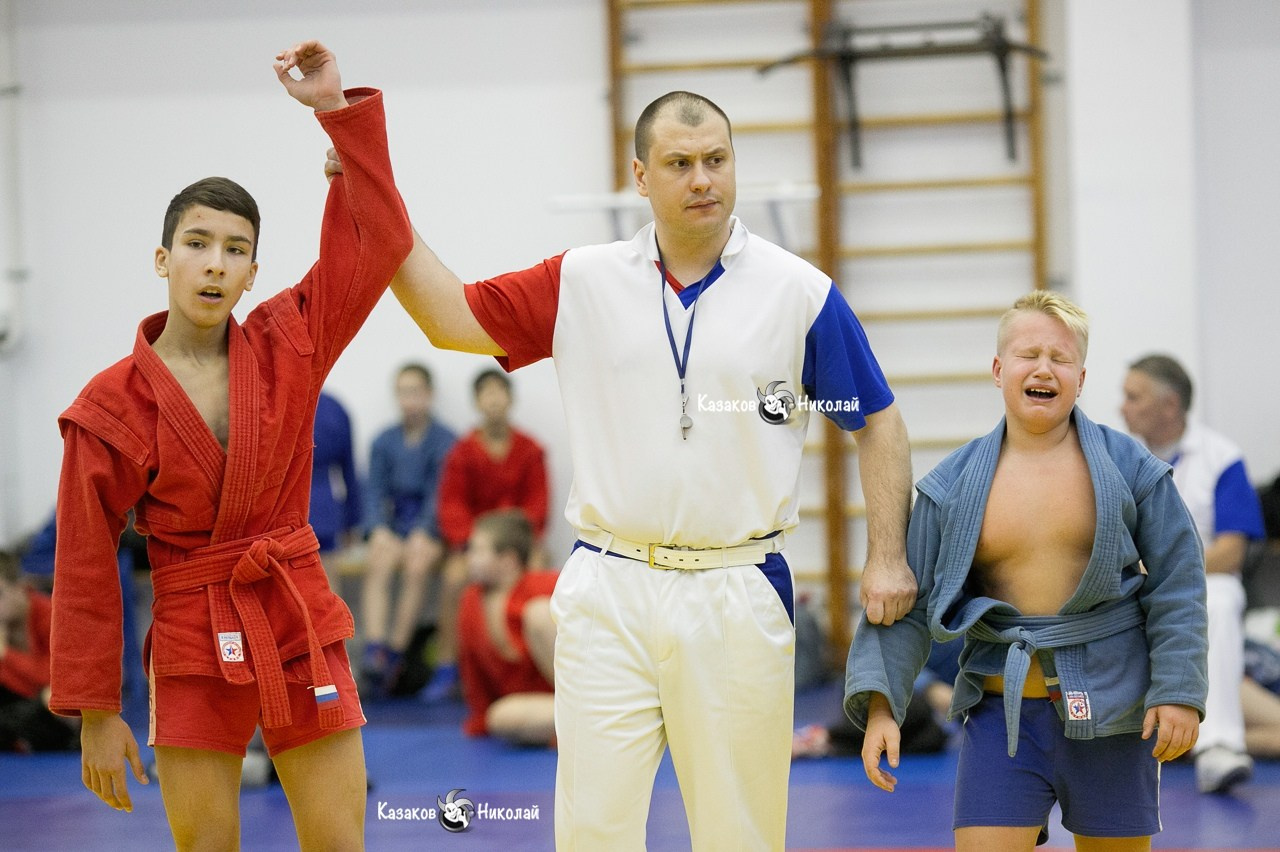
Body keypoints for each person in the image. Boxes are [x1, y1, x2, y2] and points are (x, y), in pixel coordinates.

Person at [337, 89, 917, 850]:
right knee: (592, 833)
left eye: (716, 160)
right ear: (641, 176)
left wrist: (886, 555)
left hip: (737, 591)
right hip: (608, 586)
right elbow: (448, 317)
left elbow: (876, 422)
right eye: (680, 164)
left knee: (740, 835)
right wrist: (367, 182)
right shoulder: (581, 280)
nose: (703, 178)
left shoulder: (798, 293)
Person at [48, 41, 412, 850]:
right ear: (162, 258)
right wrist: (95, 713)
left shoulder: (290, 343)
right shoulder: (110, 406)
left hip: (294, 609)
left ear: (253, 272)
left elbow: (378, 244)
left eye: (235, 249)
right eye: (198, 243)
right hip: (189, 624)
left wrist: (336, 115)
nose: (215, 265)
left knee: (339, 843)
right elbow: (82, 561)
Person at [846, 291, 1208, 851]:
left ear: (1081, 379)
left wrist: (1178, 690)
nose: (1043, 367)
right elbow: (905, 598)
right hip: (1003, 718)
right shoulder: (953, 485)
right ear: (997, 370)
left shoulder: (1130, 467)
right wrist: (881, 706)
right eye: (1027, 354)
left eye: (1060, 359)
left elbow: (1178, 581)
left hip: (1114, 710)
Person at [1121, 353, 1268, 793]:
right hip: (1131, 582)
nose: (1122, 406)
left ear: (1169, 406)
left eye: (1133, 397)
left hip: (1197, 580)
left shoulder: (1222, 458)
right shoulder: (1114, 457)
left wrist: (1170, 572)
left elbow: (1232, 551)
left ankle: (1219, 748)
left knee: (1221, 595)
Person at [430, 368, 550, 702]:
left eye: (500, 392)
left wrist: (514, 542)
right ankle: (447, 665)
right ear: (477, 401)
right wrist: (476, 545)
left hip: (518, 545)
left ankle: (534, 661)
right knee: (455, 578)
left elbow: (538, 507)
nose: (494, 400)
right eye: (487, 393)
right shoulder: (463, 451)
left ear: (510, 399)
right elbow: (451, 505)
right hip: (477, 543)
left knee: (537, 573)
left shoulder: (531, 449)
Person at [359, 363, 455, 696]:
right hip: (393, 524)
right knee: (380, 558)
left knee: (417, 562)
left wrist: (425, 530)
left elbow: (441, 493)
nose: (409, 400)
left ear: (428, 395)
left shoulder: (446, 440)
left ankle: (397, 652)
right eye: (402, 392)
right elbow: (373, 491)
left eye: (415, 392)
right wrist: (379, 529)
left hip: (429, 528)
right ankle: (375, 649)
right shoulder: (383, 440)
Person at [457, 509, 557, 746]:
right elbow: (472, 668)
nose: (468, 557)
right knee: (500, 717)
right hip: (545, 707)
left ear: (508, 560)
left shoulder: (548, 584)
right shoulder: (471, 600)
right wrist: (481, 716)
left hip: (586, 692)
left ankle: (597, 711)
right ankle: (589, 725)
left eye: (478, 550)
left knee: (539, 613)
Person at [0, 552, 78, 752]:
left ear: (21, 588)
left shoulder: (52, 615)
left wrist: (7, 655)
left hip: (61, 703)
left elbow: (55, 677)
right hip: (27, 701)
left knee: (50, 696)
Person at [310, 389, 362, 590]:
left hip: (283, 506)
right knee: (328, 587)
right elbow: (349, 470)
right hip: (325, 508)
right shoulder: (334, 408)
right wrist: (351, 521)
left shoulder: (274, 398)